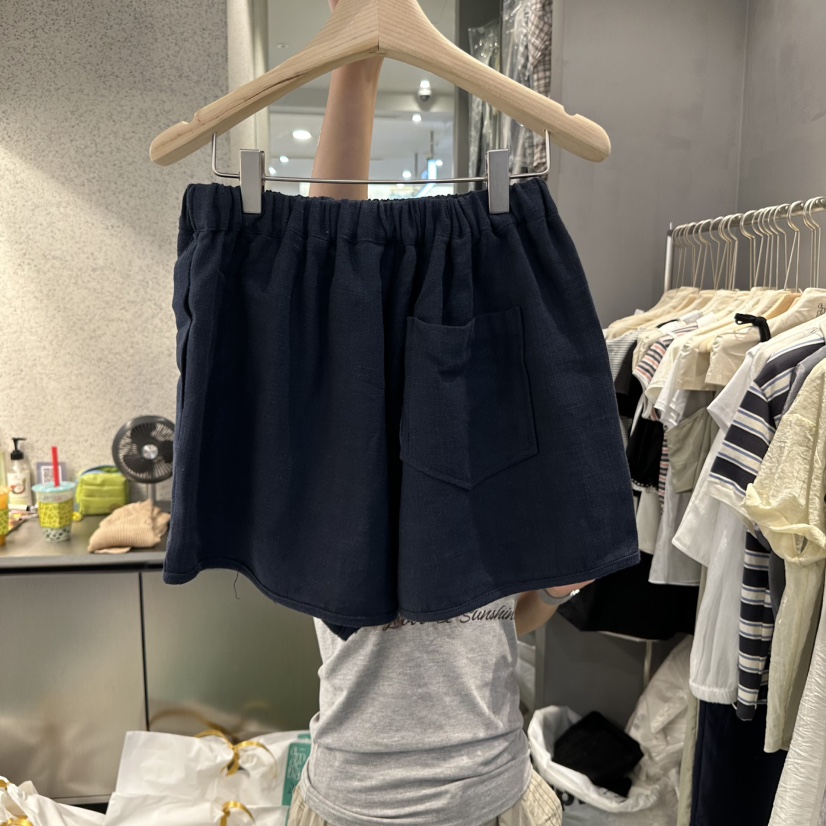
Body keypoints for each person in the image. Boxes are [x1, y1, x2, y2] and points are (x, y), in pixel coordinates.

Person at [287, 5, 593, 824]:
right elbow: (334, 267)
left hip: (499, 793)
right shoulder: (342, 472)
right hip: (355, 802)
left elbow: (504, 624)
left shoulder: (488, 454)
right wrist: (357, 70)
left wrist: (553, 589)